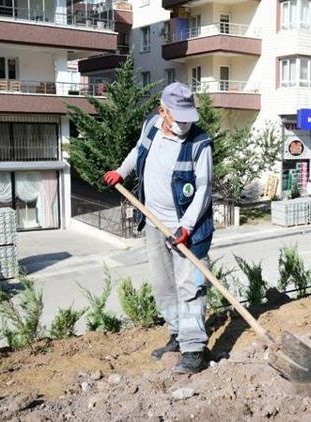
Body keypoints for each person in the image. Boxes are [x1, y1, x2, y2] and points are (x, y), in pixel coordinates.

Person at [103, 82, 214, 374]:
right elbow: (138, 151)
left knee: (190, 287)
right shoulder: (151, 125)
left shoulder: (200, 143)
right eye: (178, 117)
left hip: (187, 229)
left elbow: (203, 191)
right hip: (153, 221)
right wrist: (121, 171)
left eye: (188, 117)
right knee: (164, 285)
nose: (185, 124)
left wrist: (186, 226)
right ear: (162, 111)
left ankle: (193, 350)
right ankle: (177, 335)